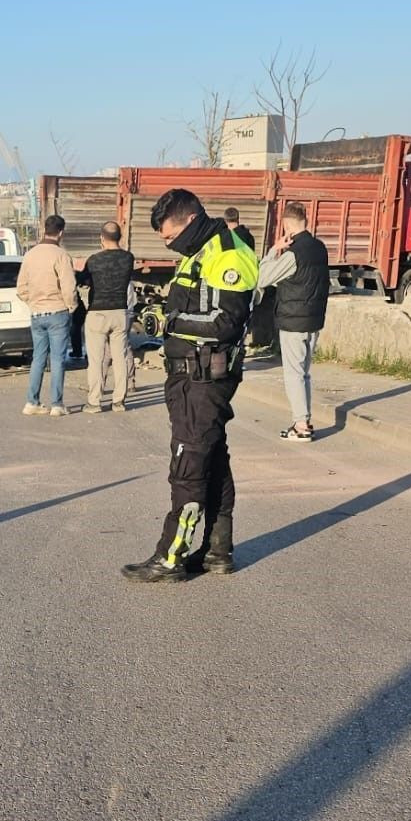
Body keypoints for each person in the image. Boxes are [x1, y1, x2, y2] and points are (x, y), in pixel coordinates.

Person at [121, 189, 258, 582]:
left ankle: (171, 557)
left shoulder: (228, 254)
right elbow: (192, 306)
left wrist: (169, 324)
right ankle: (217, 551)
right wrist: (162, 313)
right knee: (211, 460)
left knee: (189, 464)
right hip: (188, 376)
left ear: (191, 219)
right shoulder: (200, 252)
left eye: (170, 236)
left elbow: (225, 323)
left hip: (205, 376)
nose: (168, 243)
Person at [258, 201, 330, 441]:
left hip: (293, 322)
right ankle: (304, 420)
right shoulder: (320, 248)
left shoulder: (292, 254)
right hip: (314, 320)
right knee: (304, 373)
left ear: (286, 226)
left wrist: (273, 250)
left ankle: (301, 426)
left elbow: (262, 278)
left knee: (293, 374)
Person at [16, 214, 78, 416]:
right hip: (57, 311)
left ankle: (31, 402)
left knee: (38, 358)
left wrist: (32, 302)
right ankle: (57, 404)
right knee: (58, 359)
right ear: (61, 233)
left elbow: (21, 288)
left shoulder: (30, 255)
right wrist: (71, 306)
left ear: (45, 229)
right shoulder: (61, 255)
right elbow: (69, 287)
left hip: (37, 313)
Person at [81, 221, 135, 413]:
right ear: (119, 237)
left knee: (96, 360)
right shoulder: (128, 258)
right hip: (119, 313)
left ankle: (94, 402)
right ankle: (118, 401)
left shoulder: (94, 260)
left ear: (102, 238)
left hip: (97, 313)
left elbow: (83, 279)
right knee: (120, 358)